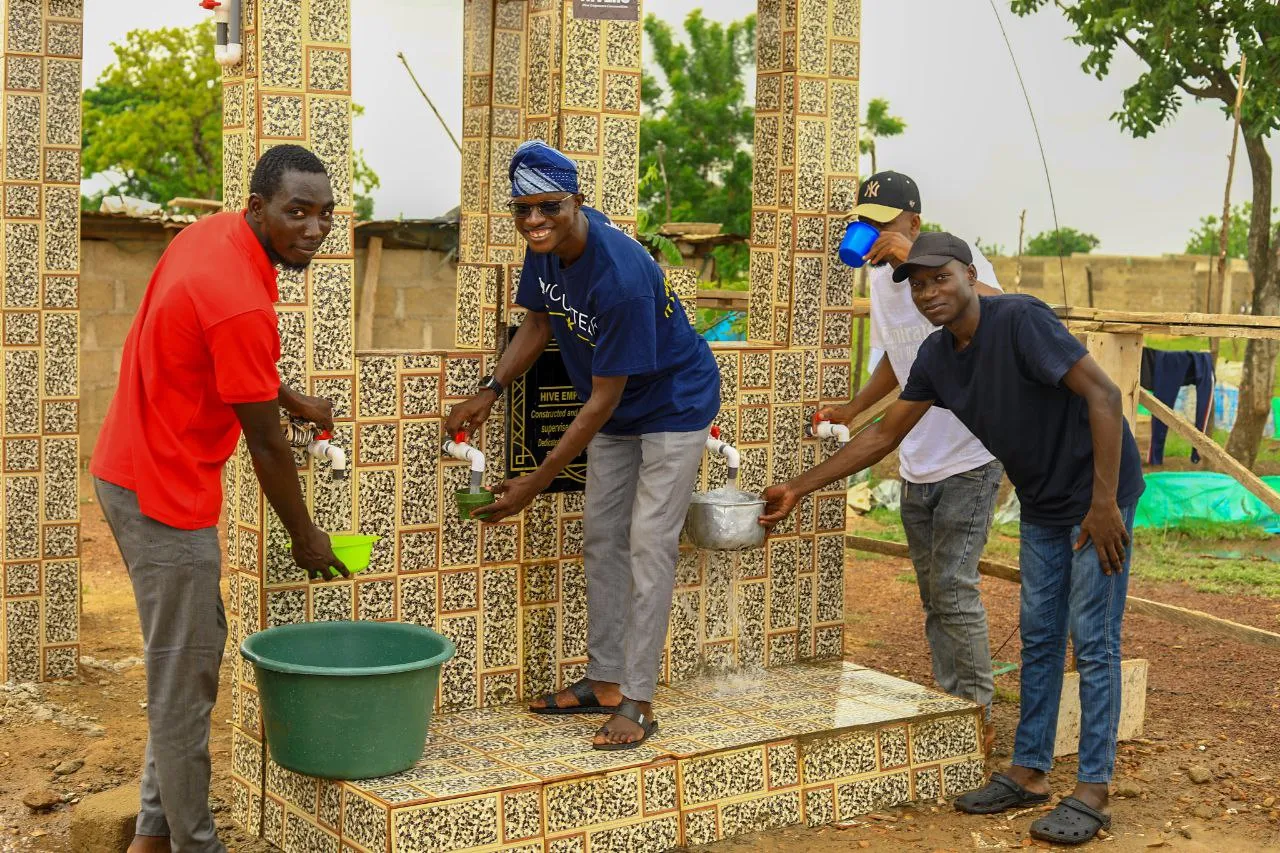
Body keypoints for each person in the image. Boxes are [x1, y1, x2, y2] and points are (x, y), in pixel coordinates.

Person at [761, 232, 1145, 846]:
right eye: (917, 284)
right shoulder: (938, 357)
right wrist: (799, 488)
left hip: (1099, 491)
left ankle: (1093, 789)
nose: (928, 292)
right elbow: (881, 437)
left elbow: (1103, 394)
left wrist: (1104, 504)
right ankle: (1029, 771)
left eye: (940, 278)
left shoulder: (1019, 320)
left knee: (1093, 639)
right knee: (1041, 634)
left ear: (969, 275)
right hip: (1043, 499)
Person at [91, 144, 348, 853]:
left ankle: (150, 834)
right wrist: (306, 536)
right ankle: (195, 844)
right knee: (184, 683)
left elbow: (233, 368)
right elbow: (266, 447)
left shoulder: (212, 238)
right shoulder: (240, 298)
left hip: (132, 465)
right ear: (259, 207)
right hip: (161, 492)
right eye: (297, 211)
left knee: (191, 659)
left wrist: (292, 396)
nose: (314, 228)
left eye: (325, 213)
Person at [445, 140, 721, 750]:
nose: (534, 221)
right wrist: (489, 389)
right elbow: (539, 323)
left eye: (548, 207)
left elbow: (600, 402)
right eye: (522, 210)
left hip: (674, 404)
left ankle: (640, 700)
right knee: (601, 534)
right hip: (621, 409)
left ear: (577, 203)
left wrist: (537, 481)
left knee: (649, 543)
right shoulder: (544, 250)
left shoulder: (620, 276)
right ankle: (604, 679)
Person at [825, 171, 1003, 752]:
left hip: (971, 453)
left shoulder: (955, 259)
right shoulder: (880, 281)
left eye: (884, 224)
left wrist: (918, 258)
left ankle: (976, 716)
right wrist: (852, 409)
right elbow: (897, 359)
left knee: (954, 585)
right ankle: (950, 703)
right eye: (865, 223)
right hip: (916, 455)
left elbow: (1008, 317)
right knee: (933, 592)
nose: (872, 235)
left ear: (914, 223)